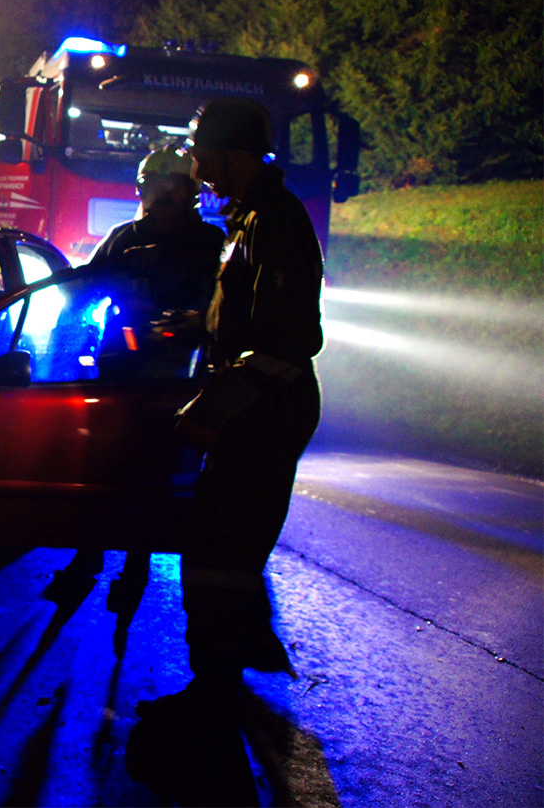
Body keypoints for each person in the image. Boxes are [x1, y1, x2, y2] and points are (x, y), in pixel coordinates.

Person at [139, 97, 324, 729]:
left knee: (220, 553)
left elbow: (287, 341)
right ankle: (224, 676)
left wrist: (212, 407)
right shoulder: (250, 219)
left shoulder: (276, 222)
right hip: (254, 403)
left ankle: (213, 697)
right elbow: (250, 315)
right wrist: (201, 322)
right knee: (224, 549)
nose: (195, 168)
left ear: (235, 155)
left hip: (263, 408)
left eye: (201, 154)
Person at [45, 144, 224, 614]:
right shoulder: (121, 239)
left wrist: (196, 322)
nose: (163, 195)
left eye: (174, 186)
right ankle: (87, 559)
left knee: (155, 474)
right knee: (102, 466)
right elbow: (79, 293)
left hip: (177, 378)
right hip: (118, 370)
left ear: (192, 192)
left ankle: (136, 570)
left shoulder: (210, 245)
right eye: (154, 186)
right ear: (141, 190)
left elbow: (224, 309)